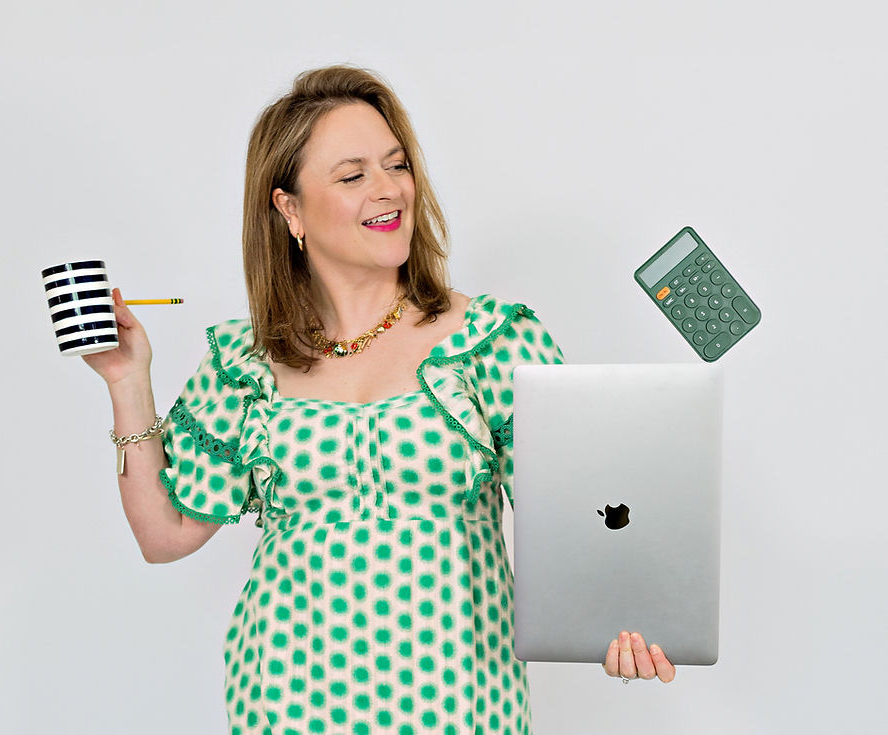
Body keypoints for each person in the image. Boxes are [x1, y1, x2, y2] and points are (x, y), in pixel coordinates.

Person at [85, 65, 675, 735]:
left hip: (460, 709)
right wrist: (126, 380)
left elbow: (586, 519)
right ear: (290, 210)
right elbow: (164, 535)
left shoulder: (491, 340)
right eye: (352, 174)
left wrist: (631, 617)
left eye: (396, 165)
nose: (388, 187)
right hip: (284, 704)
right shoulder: (245, 362)